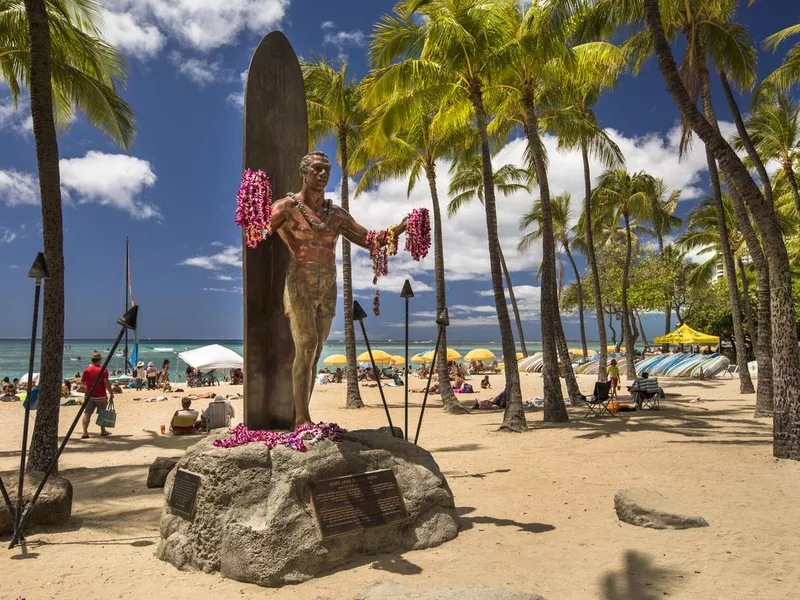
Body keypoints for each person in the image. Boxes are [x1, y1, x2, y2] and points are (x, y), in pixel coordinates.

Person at [269, 151, 408, 428]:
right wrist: (252, 203)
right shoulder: (285, 208)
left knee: (317, 351)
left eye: (326, 170)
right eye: (317, 169)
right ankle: (300, 418)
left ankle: (304, 414)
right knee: (306, 346)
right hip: (300, 280)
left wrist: (401, 228)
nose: (322, 174)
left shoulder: (336, 215)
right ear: (304, 173)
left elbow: (369, 240)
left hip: (328, 284)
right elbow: (257, 231)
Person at [81, 351, 114, 439]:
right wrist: (111, 393)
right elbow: (106, 383)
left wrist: (89, 386)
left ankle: (85, 432)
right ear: (99, 360)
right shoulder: (103, 370)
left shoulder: (86, 370)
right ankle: (103, 431)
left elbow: (83, 383)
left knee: (87, 414)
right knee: (102, 414)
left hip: (89, 395)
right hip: (101, 396)